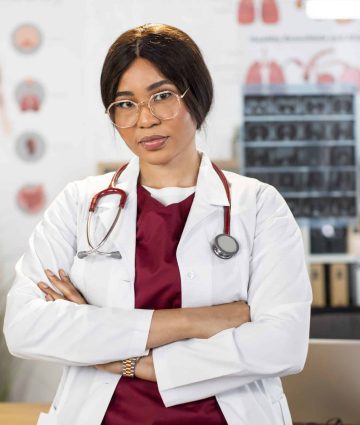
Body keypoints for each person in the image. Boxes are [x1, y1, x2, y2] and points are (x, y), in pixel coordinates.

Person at [3, 23, 312, 425]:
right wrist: (198, 321)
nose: (145, 119)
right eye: (125, 104)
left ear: (196, 97)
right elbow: (26, 327)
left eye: (162, 96)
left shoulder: (258, 206)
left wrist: (133, 361)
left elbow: (283, 345)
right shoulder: (80, 204)